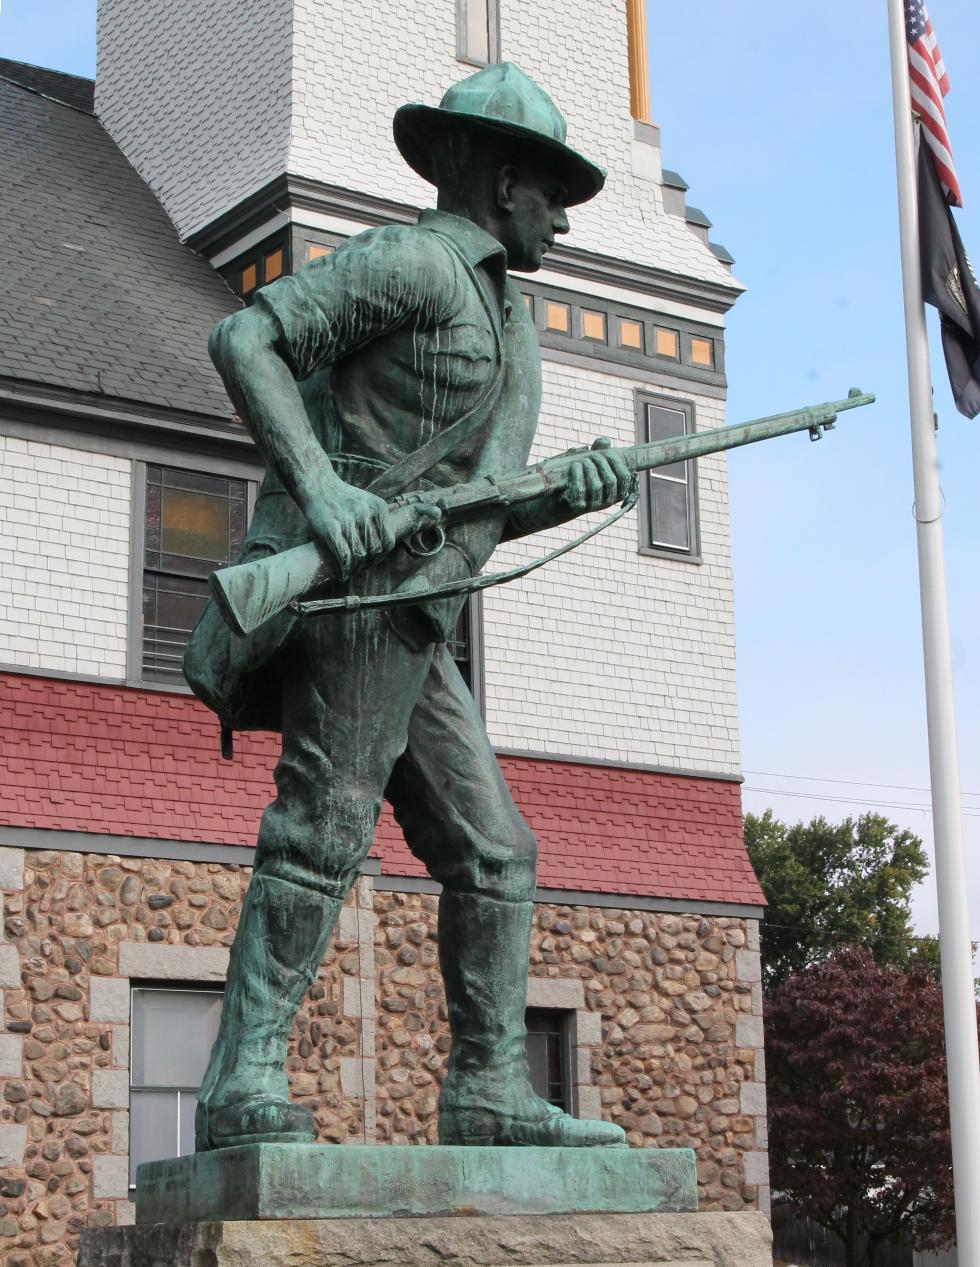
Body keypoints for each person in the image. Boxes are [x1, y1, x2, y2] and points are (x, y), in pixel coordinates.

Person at [187, 62, 631, 1152]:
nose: (563, 217)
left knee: (495, 854)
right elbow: (245, 339)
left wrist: (567, 490)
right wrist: (323, 487)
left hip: (416, 615)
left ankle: (484, 1087)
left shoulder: (509, 318)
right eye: (553, 190)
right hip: (353, 602)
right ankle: (241, 1075)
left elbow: (465, 517)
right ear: (501, 177)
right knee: (323, 825)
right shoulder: (412, 262)